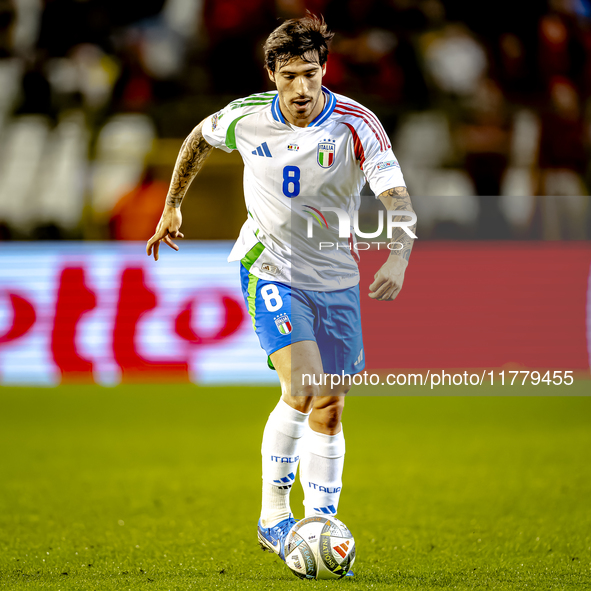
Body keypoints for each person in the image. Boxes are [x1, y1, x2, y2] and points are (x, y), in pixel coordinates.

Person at [146, 14, 415, 572]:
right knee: (304, 386)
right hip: (268, 266)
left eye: (311, 74)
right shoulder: (245, 118)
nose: (301, 88)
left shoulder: (357, 124)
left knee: (332, 407)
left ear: (324, 71)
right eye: (289, 75)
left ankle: (319, 520)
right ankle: (274, 514)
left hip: (335, 277)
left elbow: (397, 198)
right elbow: (197, 138)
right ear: (271, 74)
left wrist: (399, 253)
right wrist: (173, 204)